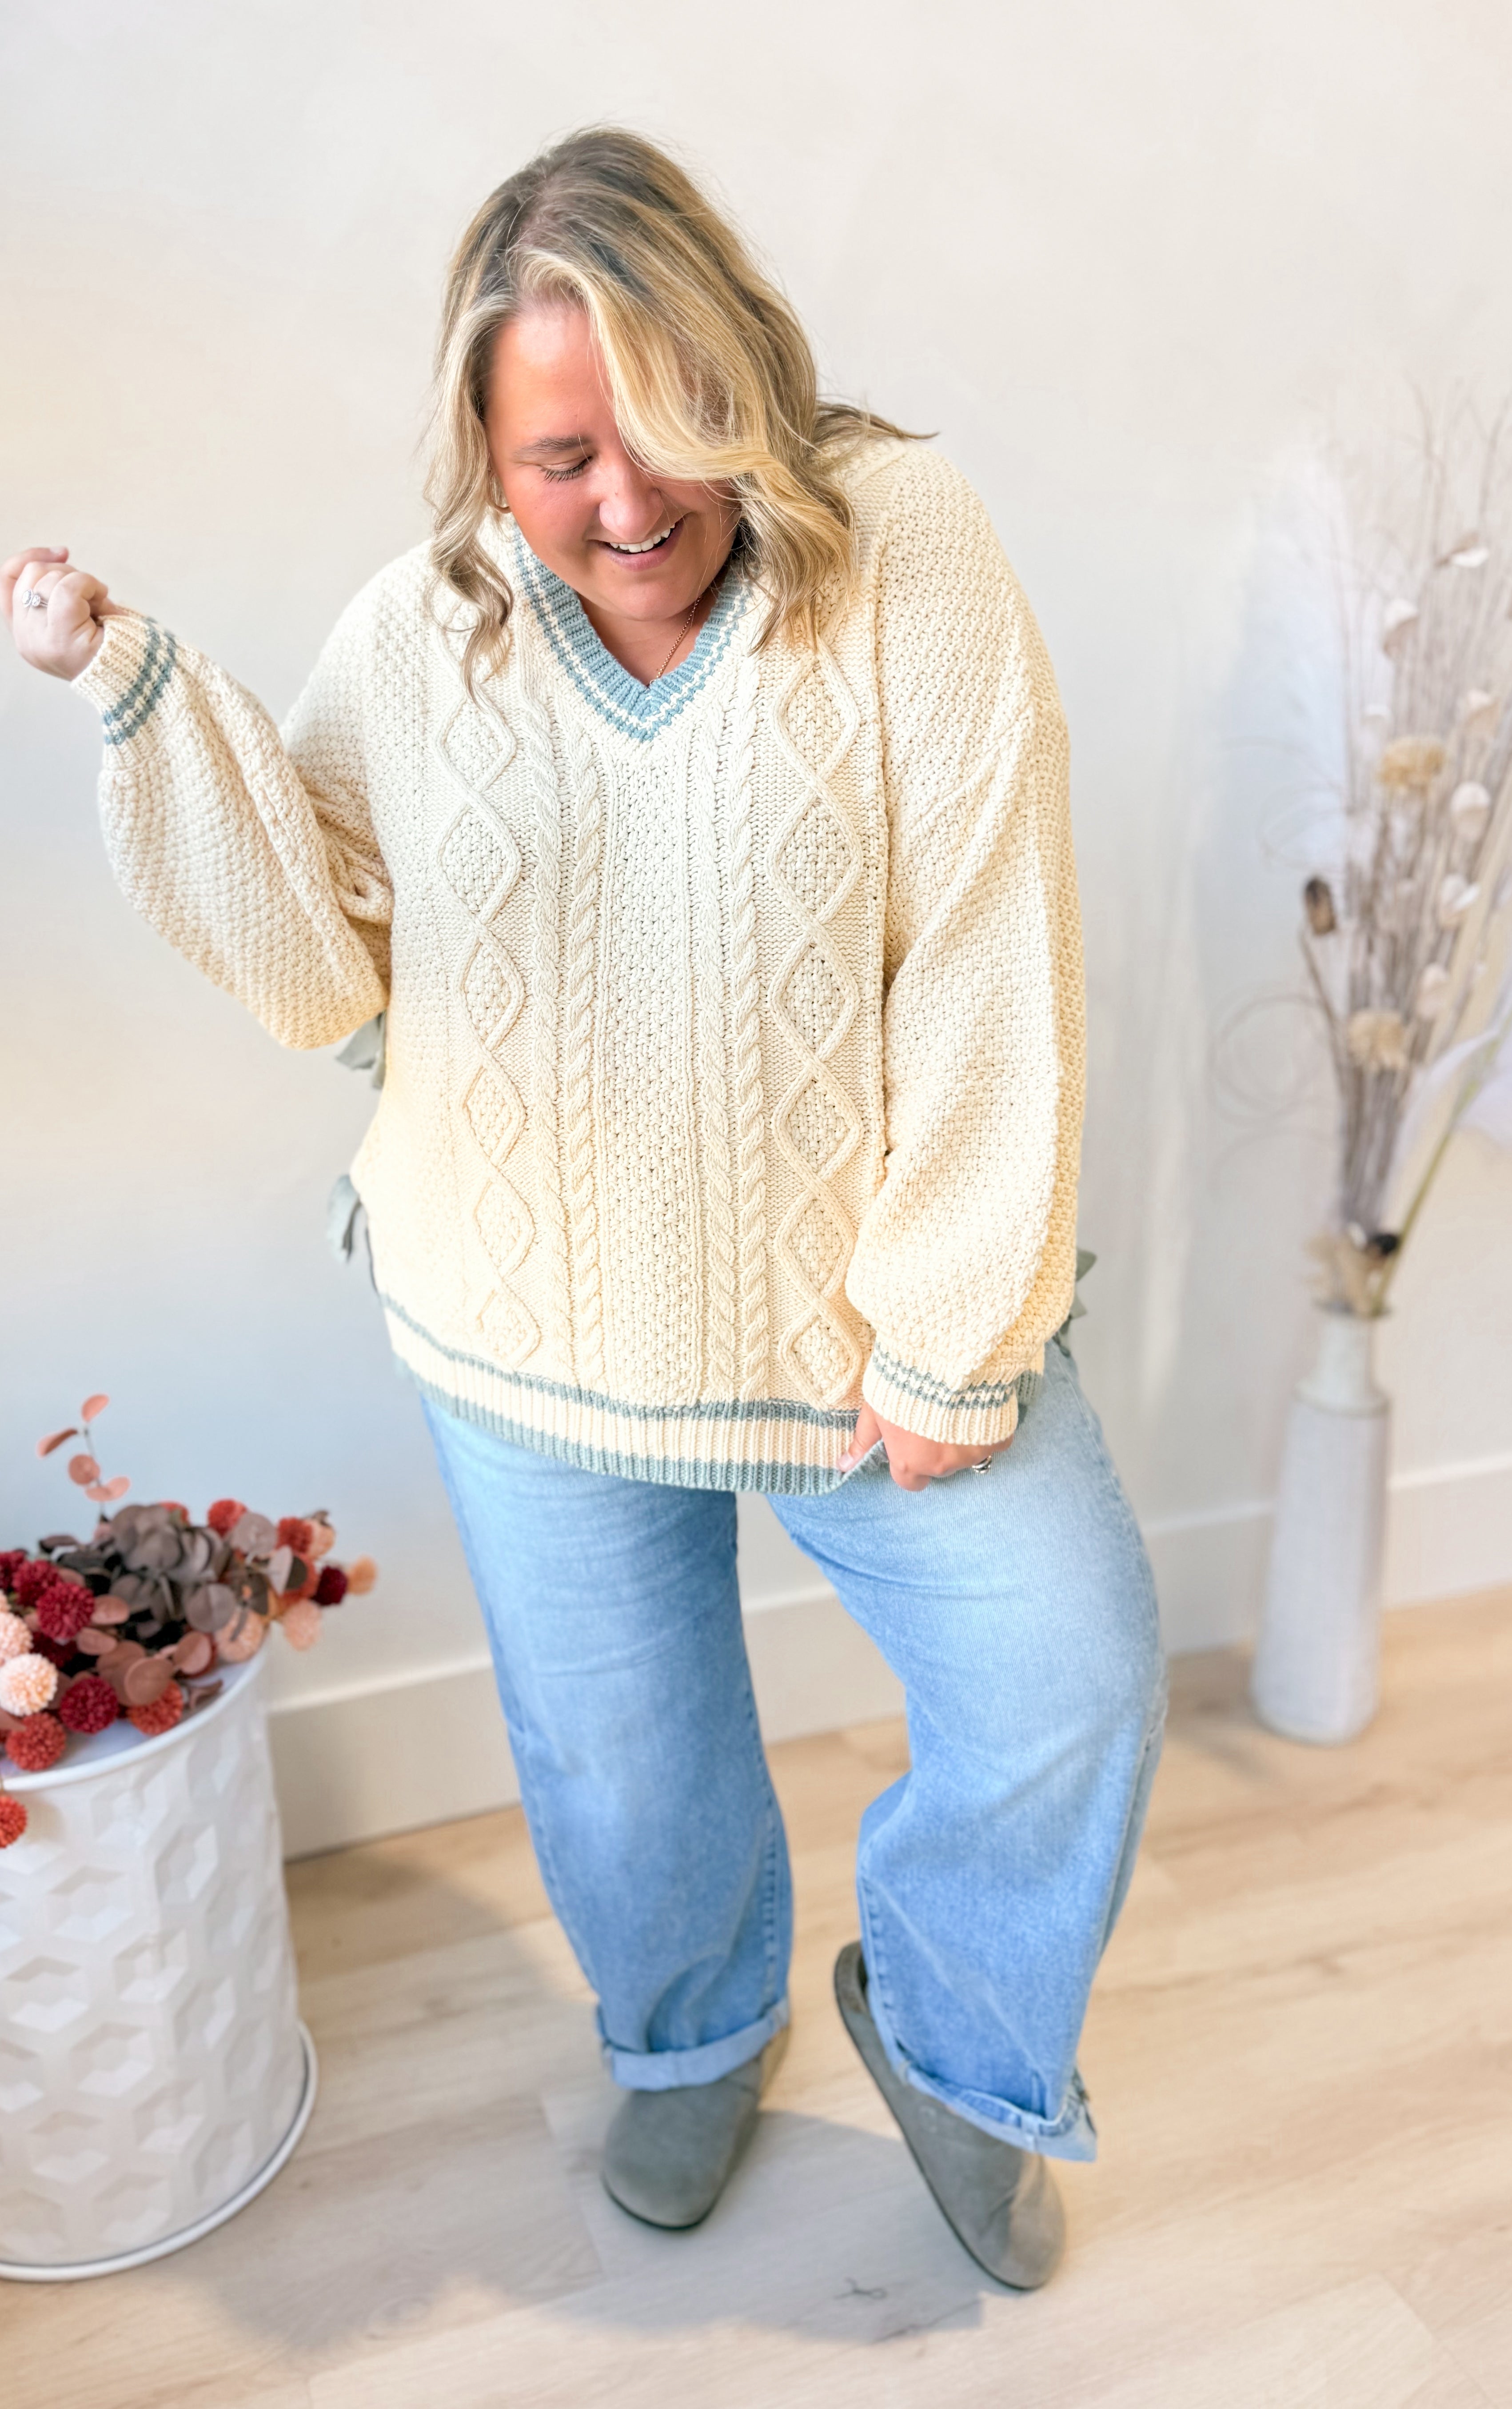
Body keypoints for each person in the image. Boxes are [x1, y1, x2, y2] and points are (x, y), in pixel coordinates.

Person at [4, 126, 1164, 2291]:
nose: (624, 502)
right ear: (483, 454)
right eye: (557, 459)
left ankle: (959, 2045)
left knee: (1066, 1669)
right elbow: (325, 961)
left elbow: (993, 941)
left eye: (666, 429)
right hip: (522, 1310)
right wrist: (142, 700)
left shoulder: (902, 543)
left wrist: (947, 1331)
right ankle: (691, 2036)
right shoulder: (420, 629)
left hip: (862, 1325)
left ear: (744, 379)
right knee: (625, 1769)